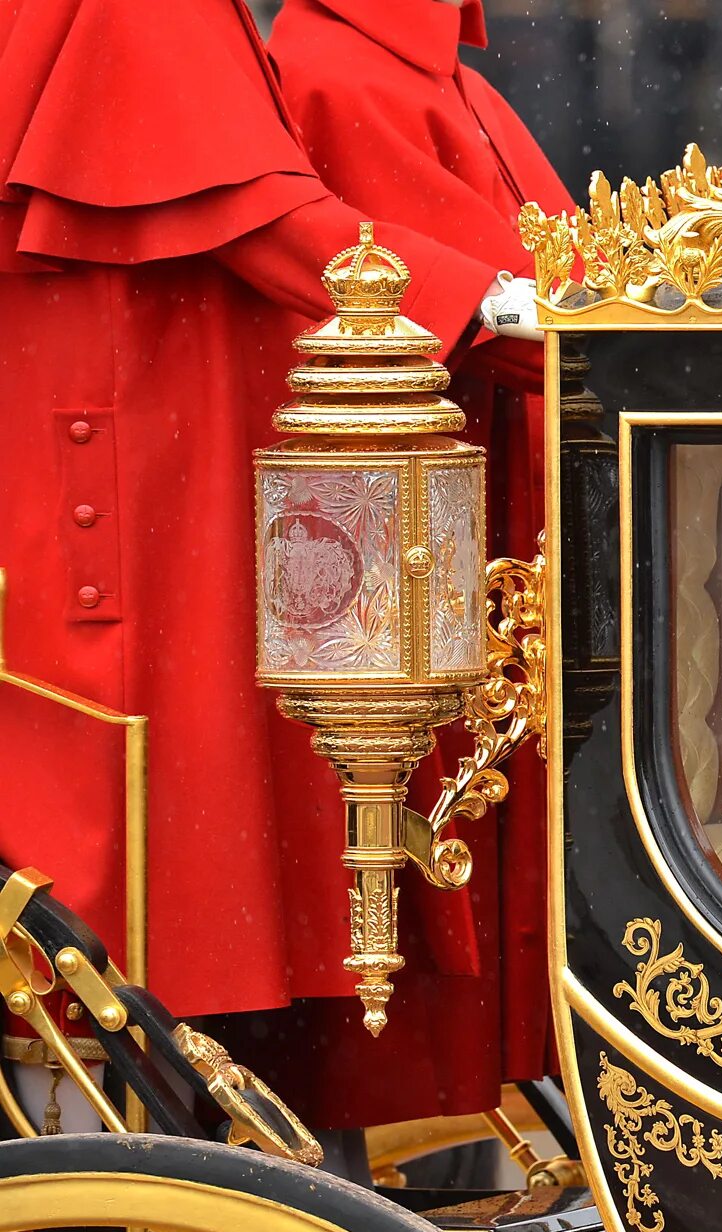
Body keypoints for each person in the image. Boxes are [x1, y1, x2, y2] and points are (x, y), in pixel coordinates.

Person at [0, 0, 541, 1130]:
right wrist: (479, 298)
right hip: (133, 495)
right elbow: (262, 217)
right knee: (158, 889)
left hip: (171, 471)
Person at [265, 0, 578, 1097]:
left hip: (489, 508)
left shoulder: (440, 77)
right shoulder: (337, 71)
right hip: (433, 530)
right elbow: (472, 311)